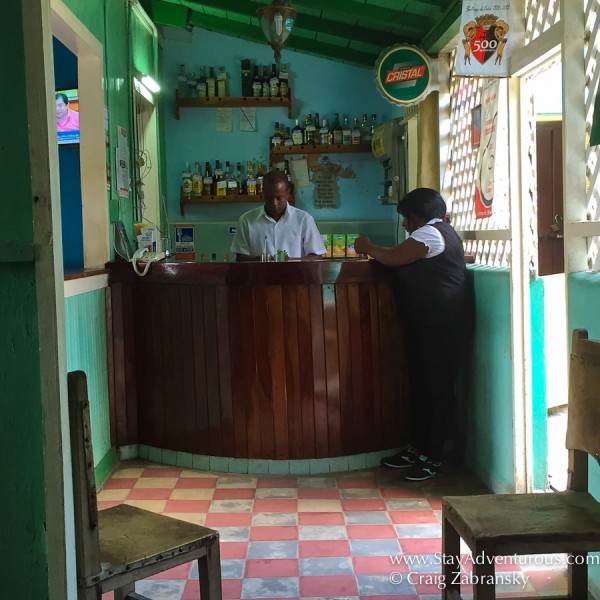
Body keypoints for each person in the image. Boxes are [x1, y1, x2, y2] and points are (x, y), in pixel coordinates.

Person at [354, 188, 475, 481]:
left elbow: (394, 258)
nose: (406, 225)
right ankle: (418, 449)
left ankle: (433, 457)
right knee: (422, 387)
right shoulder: (435, 233)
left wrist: (368, 246)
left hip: (443, 326)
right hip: (430, 324)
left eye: (407, 218)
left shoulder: (432, 233)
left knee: (438, 389)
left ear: (419, 216)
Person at [230, 170, 326, 261]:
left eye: (279, 198)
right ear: (263, 193)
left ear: (288, 193)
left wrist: (289, 262)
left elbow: (316, 256)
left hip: (294, 277)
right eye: (269, 198)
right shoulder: (246, 220)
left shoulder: (304, 219)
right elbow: (240, 257)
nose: (274, 203)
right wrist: (261, 260)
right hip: (260, 277)